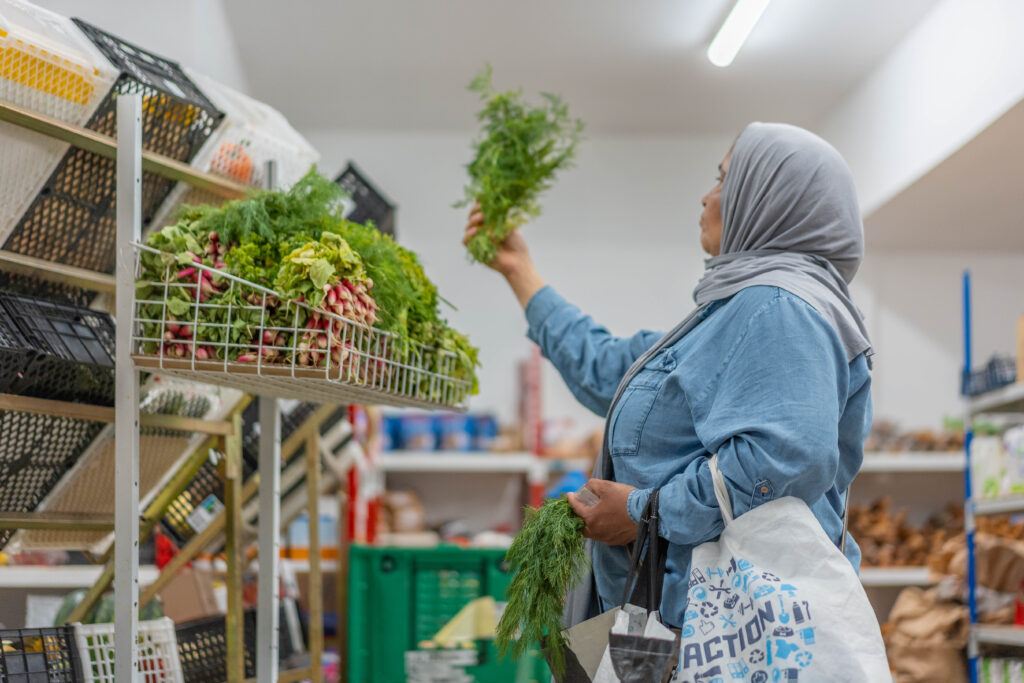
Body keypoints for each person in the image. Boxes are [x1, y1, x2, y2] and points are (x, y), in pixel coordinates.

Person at [462, 122, 873, 628]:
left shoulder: (781, 308)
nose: (706, 196)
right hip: (690, 628)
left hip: (725, 640)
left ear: (768, 199)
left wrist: (643, 512)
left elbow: (782, 464)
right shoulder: (734, 313)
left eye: (723, 179)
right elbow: (609, 369)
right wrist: (519, 270)